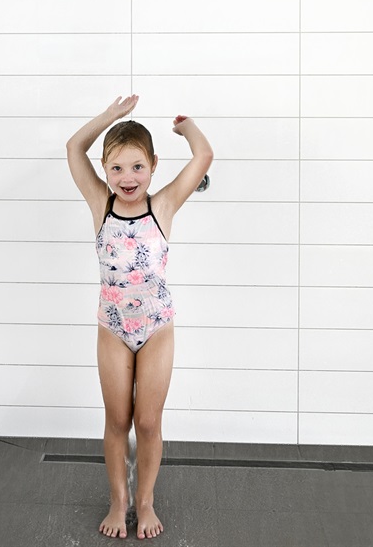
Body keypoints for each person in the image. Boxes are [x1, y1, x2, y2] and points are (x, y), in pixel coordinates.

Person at [66, 95, 213, 540]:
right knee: (117, 419)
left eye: (136, 167)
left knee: (148, 421)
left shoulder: (163, 205)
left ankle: (145, 502)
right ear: (105, 171)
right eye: (116, 168)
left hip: (156, 328)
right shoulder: (101, 204)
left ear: (152, 165)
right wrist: (111, 116)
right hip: (113, 327)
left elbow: (204, 156)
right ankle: (119, 500)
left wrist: (187, 127)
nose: (126, 178)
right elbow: (74, 148)